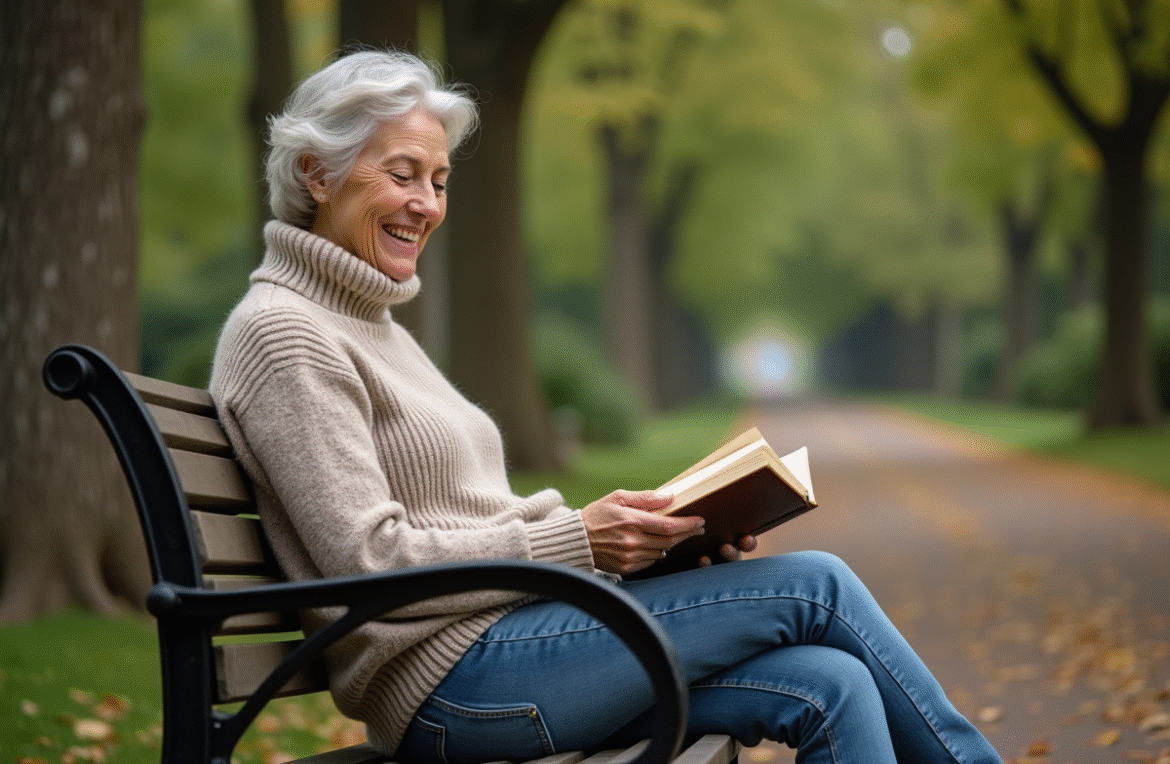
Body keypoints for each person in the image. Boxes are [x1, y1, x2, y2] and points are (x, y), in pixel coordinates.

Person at [209, 49, 1002, 764]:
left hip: (516, 643)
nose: (427, 204)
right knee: (815, 587)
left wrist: (662, 546)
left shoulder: (368, 323)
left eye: (440, 182)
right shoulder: (287, 333)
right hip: (456, 684)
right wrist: (578, 540)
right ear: (316, 173)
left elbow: (463, 518)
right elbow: (369, 563)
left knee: (831, 682)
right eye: (403, 173)